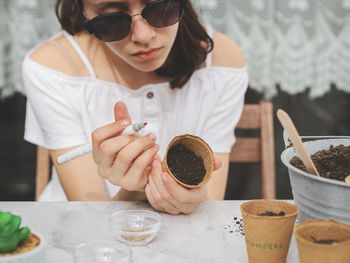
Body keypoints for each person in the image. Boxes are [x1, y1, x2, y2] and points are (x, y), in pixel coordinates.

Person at [22, 0, 248, 214]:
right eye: (112, 19)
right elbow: (90, 219)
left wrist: (193, 198)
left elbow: (208, 208)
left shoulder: (221, 62)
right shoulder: (53, 69)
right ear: (83, 11)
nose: (143, 36)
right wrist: (133, 189)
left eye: (160, 8)